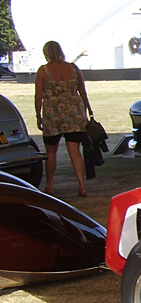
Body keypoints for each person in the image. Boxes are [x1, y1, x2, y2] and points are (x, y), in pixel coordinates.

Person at [34, 40, 93, 197]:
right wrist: (88, 110)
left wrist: (38, 115)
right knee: (75, 150)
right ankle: (81, 185)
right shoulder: (73, 68)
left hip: (53, 115)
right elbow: (83, 92)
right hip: (74, 114)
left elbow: (38, 96)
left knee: (51, 152)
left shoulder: (43, 71)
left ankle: (49, 185)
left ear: (46, 53)